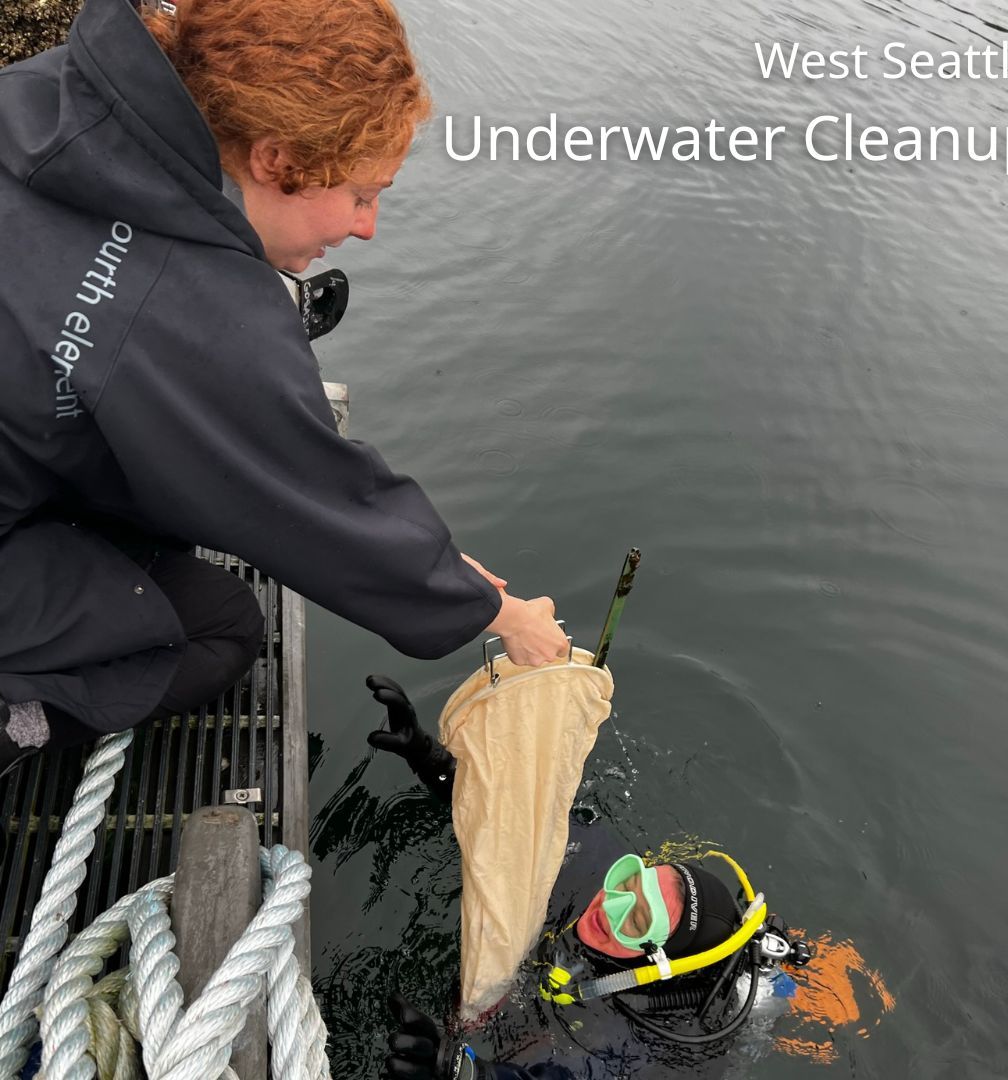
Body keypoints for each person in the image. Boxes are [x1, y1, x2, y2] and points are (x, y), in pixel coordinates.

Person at [0, 0, 568, 778]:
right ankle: (14, 725)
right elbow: (306, 500)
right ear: (273, 159)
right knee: (222, 627)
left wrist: (434, 563)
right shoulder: (196, 304)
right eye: (362, 195)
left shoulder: (50, 96)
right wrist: (502, 616)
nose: (367, 227)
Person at [366, 676, 821, 1080]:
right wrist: (429, 758)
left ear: (656, 958)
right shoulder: (593, 863)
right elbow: (508, 825)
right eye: (628, 882)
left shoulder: (646, 1039)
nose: (607, 906)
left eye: (636, 920)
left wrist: (463, 1070)